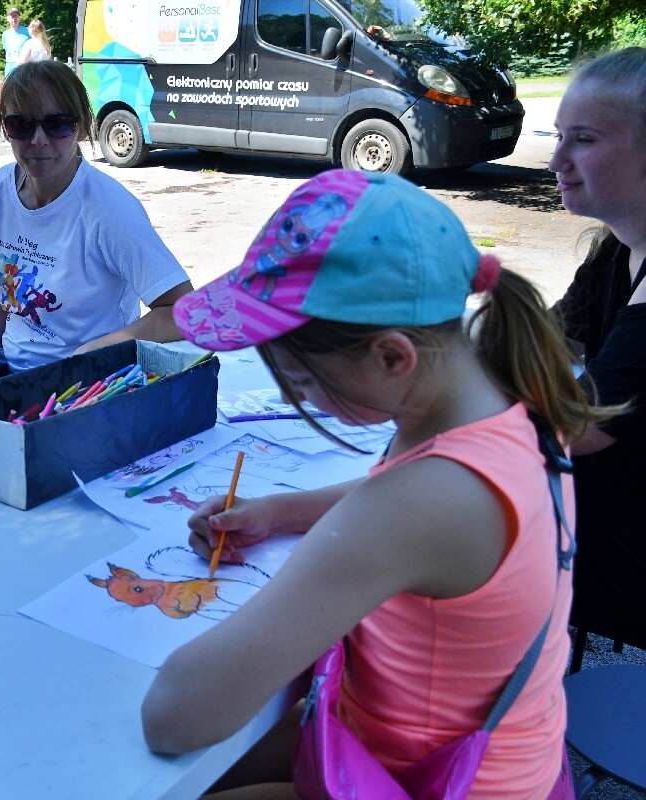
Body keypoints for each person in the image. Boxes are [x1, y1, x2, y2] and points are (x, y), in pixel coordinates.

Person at [141, 169, 607, 797]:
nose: (291, 395)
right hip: (491, 765)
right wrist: (280, 511)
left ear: (392, 357)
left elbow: (174, 716)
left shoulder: (418, 507)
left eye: (300, 384)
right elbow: (413, 508)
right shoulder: (504, 393)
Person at [0, 60, 193, 383]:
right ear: (5, 128)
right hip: (11, 377)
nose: (38, 140)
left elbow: (182, 310)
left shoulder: (109, 208)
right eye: (20, 124)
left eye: (57, 124)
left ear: (83, 126)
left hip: (87, 384)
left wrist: (98, 348)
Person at [548, 46, 646, 657]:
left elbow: (577, 424)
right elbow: (539, 346)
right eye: (559, 137)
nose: (557, 160)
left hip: (628, 614)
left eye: (581, 139)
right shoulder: (614, 251)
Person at [1, 7, 30, 77]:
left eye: (16, 16)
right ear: (7, 18)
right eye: (12, 16)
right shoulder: (5, 34)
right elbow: (6, 50)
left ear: (19, 17)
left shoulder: (28, 31)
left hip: (24, 65)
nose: (14, 18)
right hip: (10, 66)